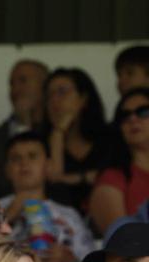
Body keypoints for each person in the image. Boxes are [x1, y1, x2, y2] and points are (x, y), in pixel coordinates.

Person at [0, 132, 96, 262]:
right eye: (16, 158)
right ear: (7, 169)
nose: (24, 163)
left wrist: (68, 259)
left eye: (32, 156)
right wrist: (9, 215)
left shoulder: (68, 215)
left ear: (48, 166)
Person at [40, 67, 108, 215]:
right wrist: (58, 134)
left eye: (62, 92)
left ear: (83, 99)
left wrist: (70, 178)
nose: (54, 100)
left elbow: (110, 177)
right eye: (49, 95)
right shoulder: (40, 142)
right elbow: (55, 181)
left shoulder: (109, 137)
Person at [0, 60, 48, 198]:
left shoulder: (57, 131)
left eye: (23, 81)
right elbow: (0, 182)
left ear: (44, 87)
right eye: (12, 84)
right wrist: (23, 123)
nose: (15, 90)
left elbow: (53, 179)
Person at [91, 87, 149, 234]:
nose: (133, 119)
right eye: (125, 116)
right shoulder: (112, 178)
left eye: (143, 112)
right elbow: (121, 241)